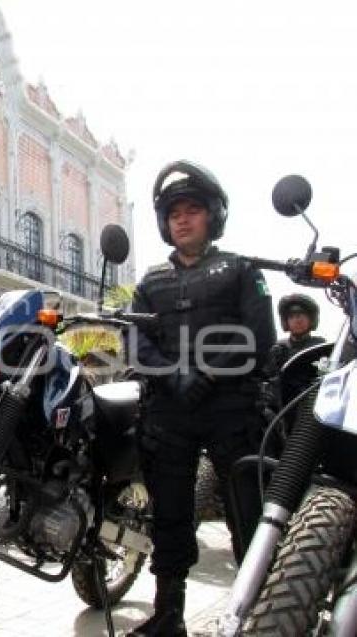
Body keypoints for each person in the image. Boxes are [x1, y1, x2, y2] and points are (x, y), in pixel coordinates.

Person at [129, 160, 276, 636]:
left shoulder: (242, 270)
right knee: (169, 513)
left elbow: (258, 336)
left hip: (232, 410)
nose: (183, 218)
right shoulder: (150, 283)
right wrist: (175, 376)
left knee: (247, 512)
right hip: (168, 413)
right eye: (174, 212)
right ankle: (169, 614)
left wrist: (207, 374)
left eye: (193, 209)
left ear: (212, 215)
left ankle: (259, 612)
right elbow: (136, 343)